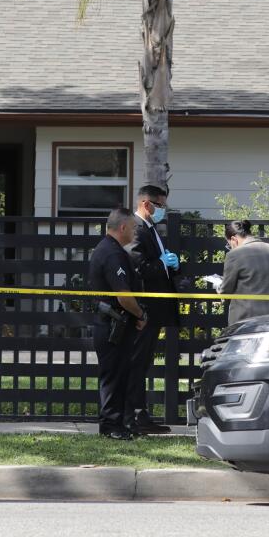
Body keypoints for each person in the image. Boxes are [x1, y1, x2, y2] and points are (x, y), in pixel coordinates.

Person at [88, 208, 147, 440]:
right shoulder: (113, 254)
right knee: (113, 378)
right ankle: (111, 426)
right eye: (132, 228)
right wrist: (141, 314)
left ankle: (119, 424)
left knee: (120, 375)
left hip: (115, 323)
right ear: (122, 227)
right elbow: (124, 296)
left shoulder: (108, 249)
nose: (134, 233)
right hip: (113, 325)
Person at [124, 185, 179, 435]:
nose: (163, 211)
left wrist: (171, 264)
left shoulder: (151, 229)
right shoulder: (136, 229)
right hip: (144, 310)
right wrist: (160, 262)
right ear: (147, 204)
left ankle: (140, 414)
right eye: (161, 206)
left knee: (143, 363)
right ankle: (134, 416)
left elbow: (154, 264)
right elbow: (138, 268)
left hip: (155, 310)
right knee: (136, 364)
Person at [219, 220, 269, 325]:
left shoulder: (234, 254)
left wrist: (219, 288)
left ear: (234, 239)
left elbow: (226, 290)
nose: (230, 248)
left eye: (229, 245)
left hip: (247, 320)